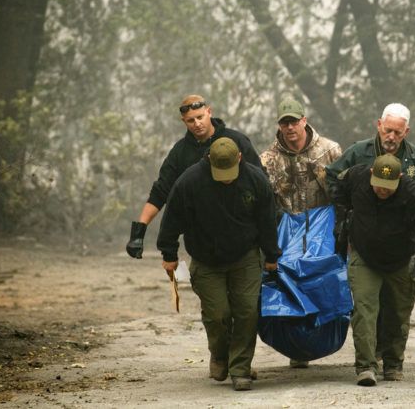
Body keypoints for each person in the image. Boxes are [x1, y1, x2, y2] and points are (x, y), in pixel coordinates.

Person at [325, 102, 415, 369]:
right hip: (366, 242)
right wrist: (345, 215)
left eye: (398, 133)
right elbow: (334, 179)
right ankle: (366, 363)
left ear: (406, 132)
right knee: (366, 306)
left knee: (395, 309)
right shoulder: (359, 155)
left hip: (404, 243)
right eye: (387, 130)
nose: (391, 137)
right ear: (379, 125)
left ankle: (390, 359)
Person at [156, 137, 282, 391]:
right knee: (217, 315)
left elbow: (267, 221)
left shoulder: (256, 180)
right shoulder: (189, 182)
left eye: (230, 172)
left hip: (245, 256)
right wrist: (169, 253)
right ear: (208, 161)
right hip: (206, 259)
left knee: (247, 312)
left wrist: (271, 256)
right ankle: (220, 355)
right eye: (219, 173)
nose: (226, 178)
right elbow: (172, 219)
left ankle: (240, 369)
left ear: (239, 159)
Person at [259, 97, 342, 368]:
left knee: (326, 283)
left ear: (304, 120)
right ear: (279, 125)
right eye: (285, 122)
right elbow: (266, 201)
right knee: (287, 285)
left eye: (294, 121)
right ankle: (297, 347)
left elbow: (343, 192)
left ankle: (326, 338)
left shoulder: (329, 151)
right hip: (286, 230)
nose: (290, 127)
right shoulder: (268, 159)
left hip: (323, 228)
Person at [126, 95, 262, 259]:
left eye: (200, 117)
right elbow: (160, 191)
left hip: (242, 236)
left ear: (209, 112)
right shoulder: (180, 152)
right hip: (202, 242)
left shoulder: (236, 141)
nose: (197, 124)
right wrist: (139, 232)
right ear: (183, 121)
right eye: (191, 120)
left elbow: (261, 183)